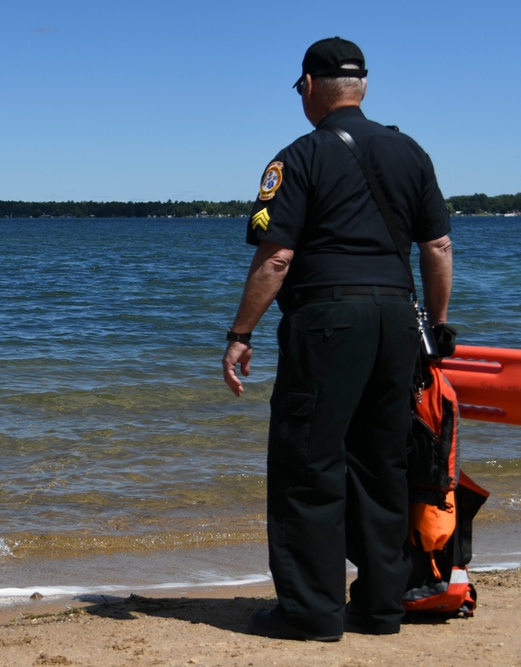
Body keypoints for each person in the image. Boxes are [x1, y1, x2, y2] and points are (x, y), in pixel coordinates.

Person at [221, 37, 453, 641]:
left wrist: (240, 333)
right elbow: (438, 247)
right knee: (383, 464)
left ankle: (311, 611)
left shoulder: (297, 157)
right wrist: (437, 324)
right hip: (398, 321)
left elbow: (276, 259)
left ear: (309, 86)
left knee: (308, 461)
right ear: (363, 86)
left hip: (327, 321)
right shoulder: (411, 152)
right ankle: (380, 607)